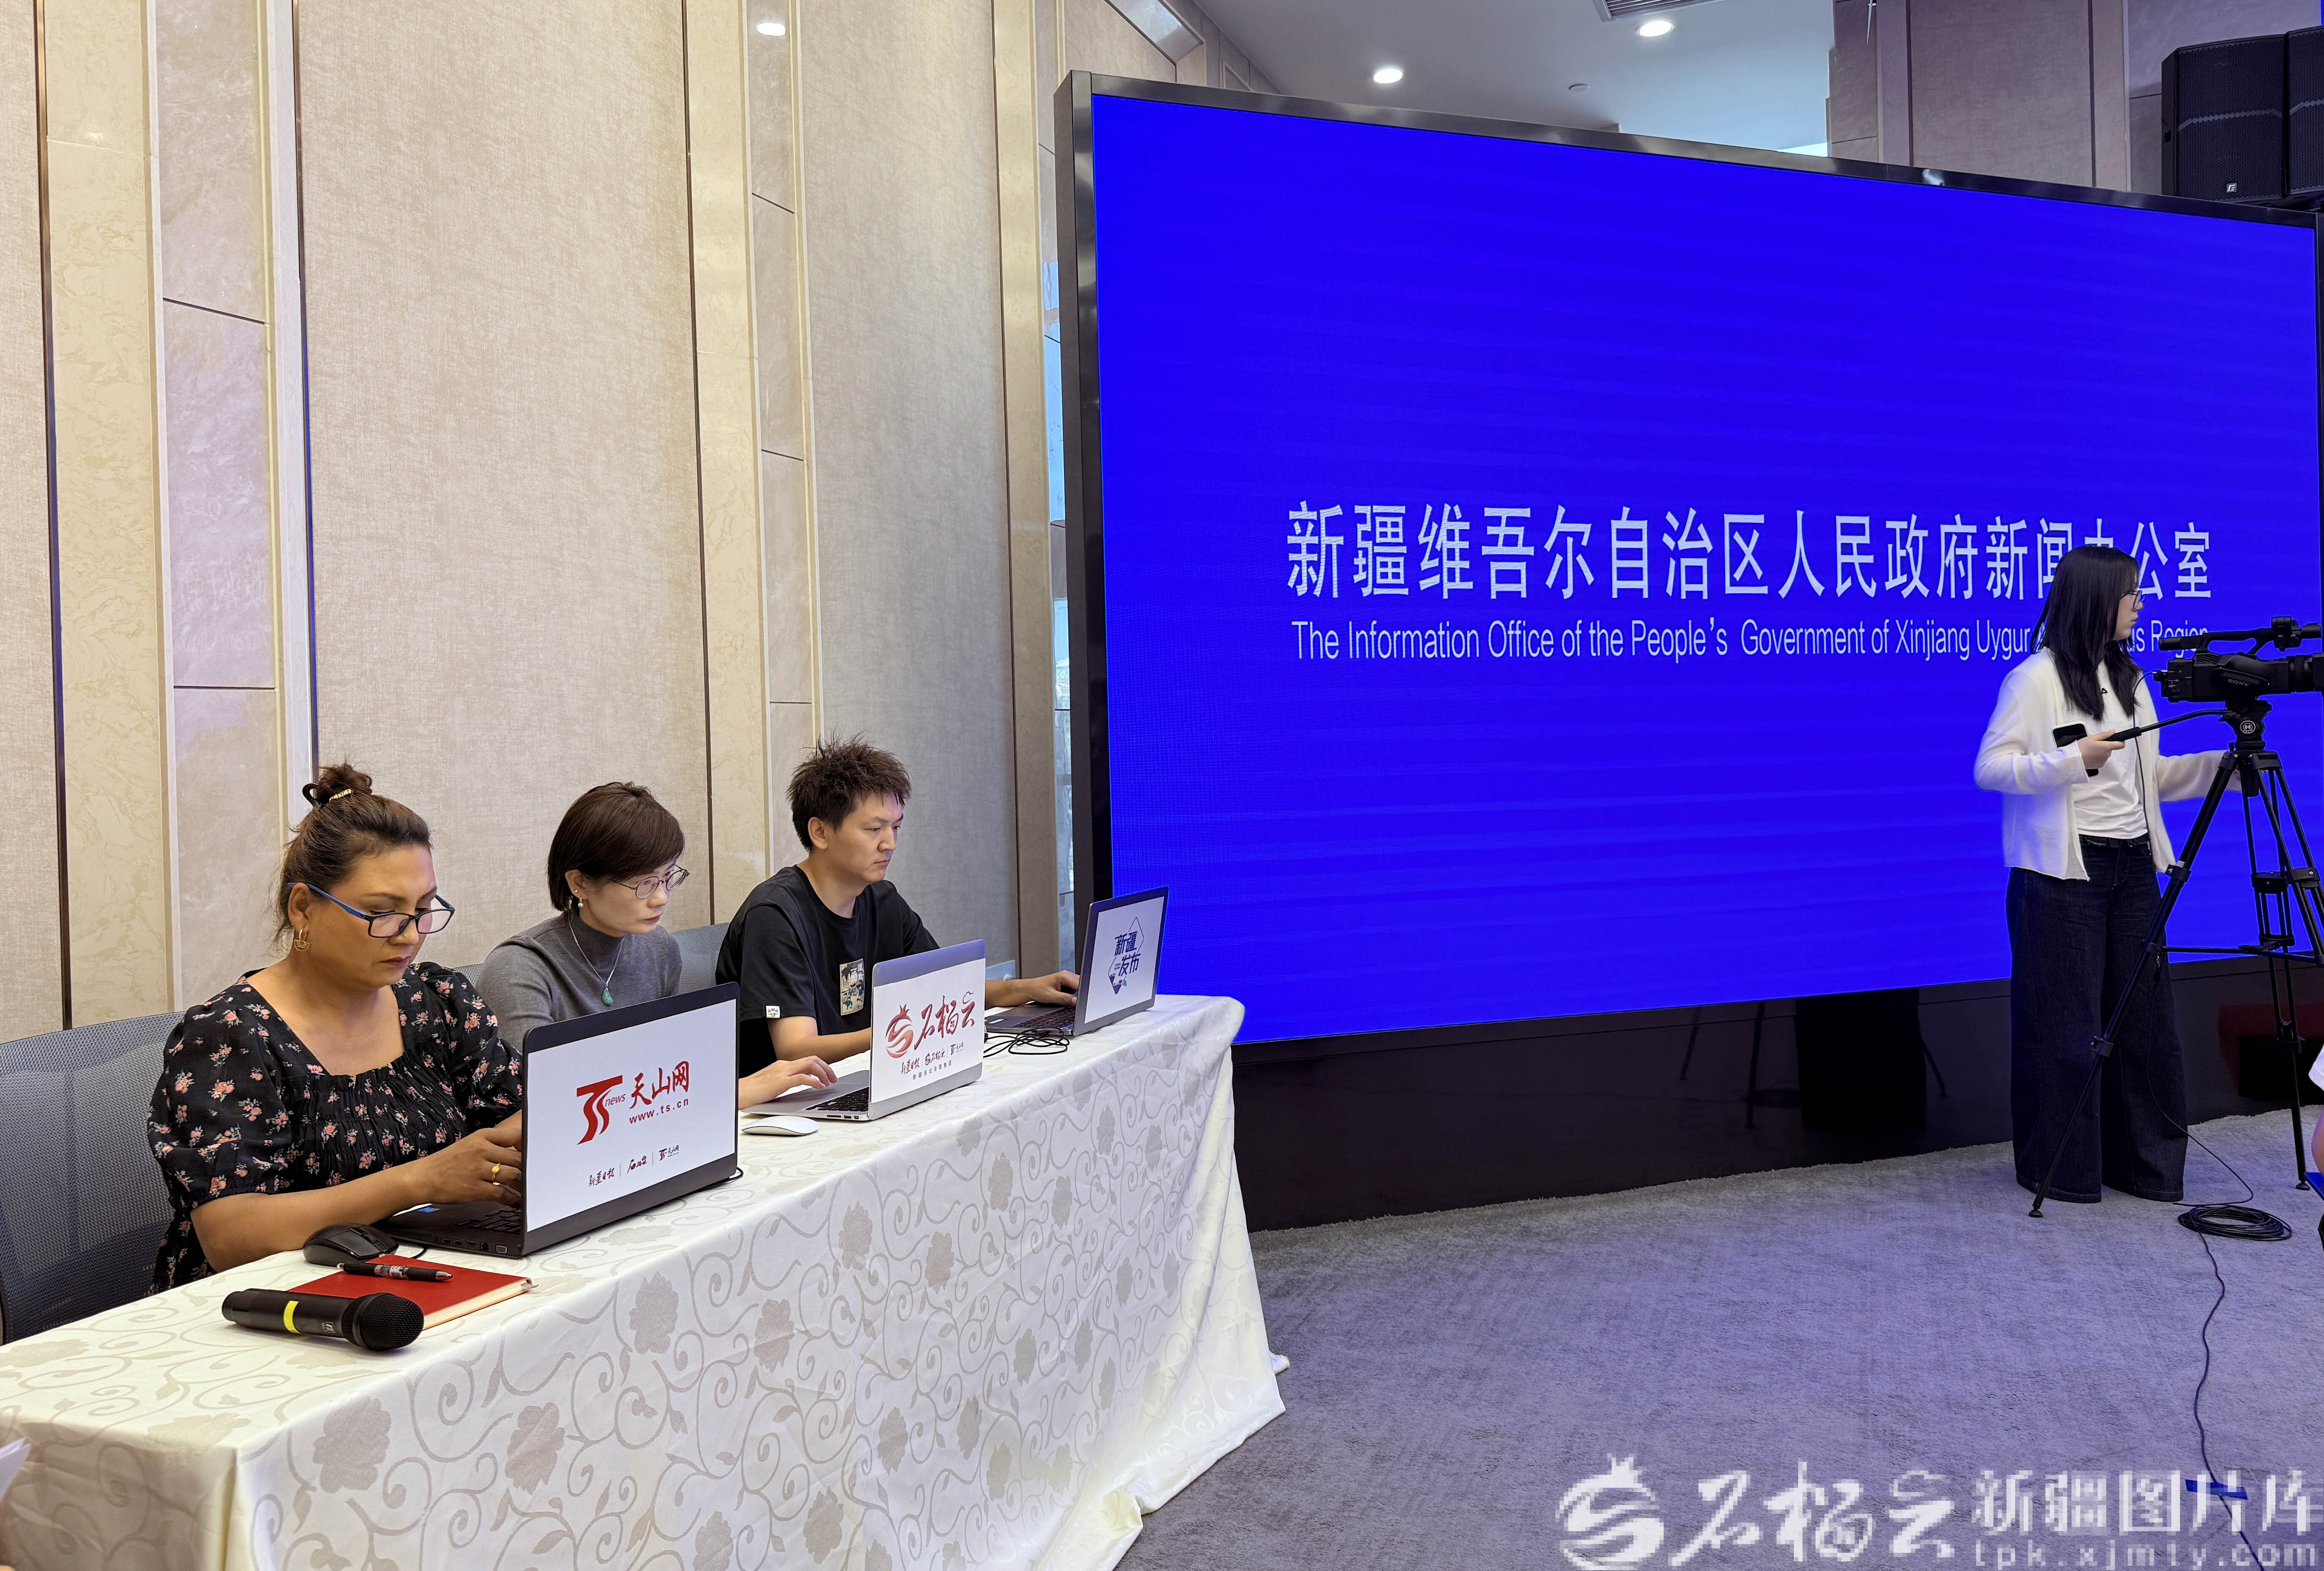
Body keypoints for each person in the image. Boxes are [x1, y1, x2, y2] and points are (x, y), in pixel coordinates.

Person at [146, 765, 523, 1287]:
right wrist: (421, 1180)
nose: (410, 936)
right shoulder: (231, 1037)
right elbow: (231, 1236)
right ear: (304, 908)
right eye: (382, 913)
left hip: (418, 1265)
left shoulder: (438, 1003)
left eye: (423, 909)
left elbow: (514, 1119)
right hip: (272, 1299)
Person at [1974, 545, 2233, 1204]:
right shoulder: (2033, 680)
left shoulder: (2132, 681)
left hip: (2133, 865)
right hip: (2062, 874)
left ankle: (2145, 1168)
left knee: (2145, 1025)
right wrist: (2071, 760)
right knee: (2062, 1028)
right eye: (2130, 594)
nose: (2139, 605)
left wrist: (2217, 769)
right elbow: (1990, 768)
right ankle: (2060, 1172)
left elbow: (2146, 780)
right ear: (2095, 599)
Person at [716, 738, 1080, 1077]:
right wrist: (907, 1033)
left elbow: (949, 988)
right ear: (820, 832)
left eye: (896, 827)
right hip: (788, 1105)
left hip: (866, 1078)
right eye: (874, 829)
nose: (890, 843)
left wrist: (1028, 989)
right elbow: (796, 1050)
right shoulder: (775, 916)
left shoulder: (883, 900)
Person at [475, 781, 835, 1107]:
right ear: (580, 883)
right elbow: (545, 1104)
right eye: (644, 883)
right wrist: (734, 1093)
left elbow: (669, 1073)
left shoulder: (659, 949)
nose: (662, 897)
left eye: (667, 877)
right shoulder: (520, 969)